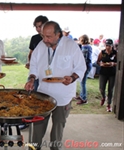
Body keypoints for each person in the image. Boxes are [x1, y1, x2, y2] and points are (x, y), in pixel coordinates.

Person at [25, 21, 86, 150]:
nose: (45, 40)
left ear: (58, 34)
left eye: (49, 36)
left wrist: (73, 78)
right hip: (43, 94)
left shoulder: (71, 46)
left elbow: (81, 67)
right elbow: (34, 65)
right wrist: (31, 79)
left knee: (58, 128)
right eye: (43, 36)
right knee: (37, 127)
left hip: (63, 95)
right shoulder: (41, 45)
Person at [21, 15, 49, 131]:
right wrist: (29, 62)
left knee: (42, 97)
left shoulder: (51, 39)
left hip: (46, 73)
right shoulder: (35, 38)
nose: (38, 29)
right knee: (31, 93)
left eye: (40, 26)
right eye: (36, 27)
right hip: (34, 70)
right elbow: (31, 53)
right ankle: (28, 120)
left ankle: (39, 119)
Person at [97, 39, 117, 112]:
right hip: (103, 72)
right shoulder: (102, 52)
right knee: (101, 88)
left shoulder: (115, 53)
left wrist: (114, 64)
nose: (108, 47)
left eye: (109, 46)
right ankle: (103, 97)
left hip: (112, 73)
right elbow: (98, 61)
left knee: (110, 89)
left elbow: (119, 62)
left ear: (112, 46)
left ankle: (109, 104)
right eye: (106, 45)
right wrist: (101, 64)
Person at [75, 34, 92, 105]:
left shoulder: (85, 47)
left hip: (85, 66)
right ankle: (82, 95)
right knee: (82, 82)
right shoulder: (89, 46)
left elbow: (84, 59)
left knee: (83, 83)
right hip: (88, 65)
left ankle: (84, 98)